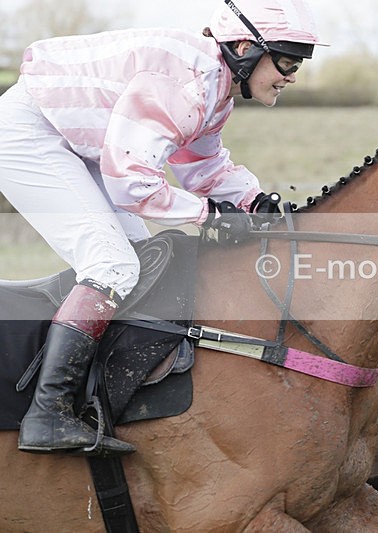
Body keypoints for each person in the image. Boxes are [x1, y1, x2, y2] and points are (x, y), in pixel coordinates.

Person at [0, 0, 325, 456]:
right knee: (113, 266)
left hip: (77, 141)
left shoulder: (215, 85)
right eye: (287, 61)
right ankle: (47, 413)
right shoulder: (187, 84)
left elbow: (203, 166)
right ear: (247, 47)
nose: (292, 75)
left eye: (298, 64)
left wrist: (254, 201)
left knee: (139, 263)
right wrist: (210, 215)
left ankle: (94, 397)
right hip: (33, 133)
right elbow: (134, 183)